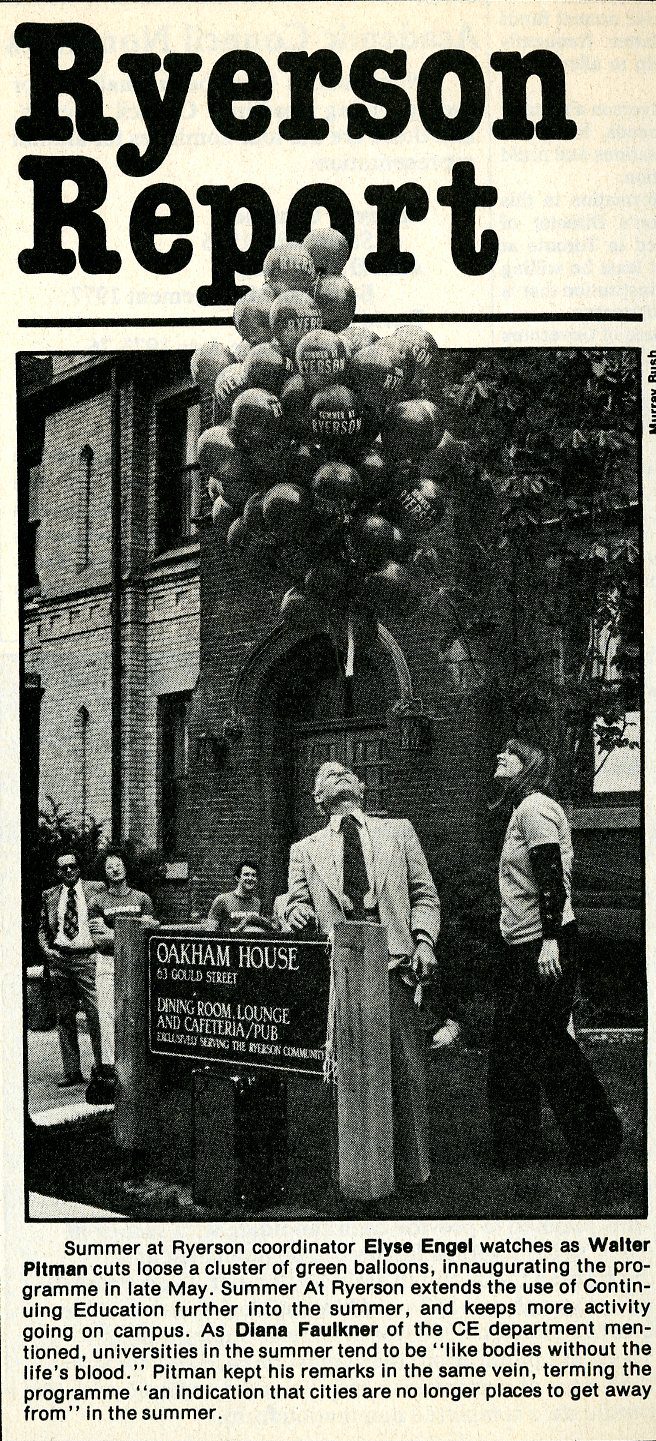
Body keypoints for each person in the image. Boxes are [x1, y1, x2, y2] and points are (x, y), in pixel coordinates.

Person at [285, 759, 448, 1192]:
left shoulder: (399, 831)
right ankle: (359, 1172)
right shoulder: (305, 849)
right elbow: (293, 901)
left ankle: (415, 1172)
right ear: (318, 799)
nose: (336, 775)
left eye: (344, 772)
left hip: (393, 963)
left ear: (360, 786)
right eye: (325, 775)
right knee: (351, 1071)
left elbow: (424, 894)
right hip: (342, 970)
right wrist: (294, 910)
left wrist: (424, 941)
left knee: (405, 1068)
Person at [488, 738, 623, 1168]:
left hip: (544, 945)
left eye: (508, 754)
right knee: (514, 1045)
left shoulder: (535, 808)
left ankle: (599, 1137)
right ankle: (519, 1146)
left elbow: (551, 877)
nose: (498, 757)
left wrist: (549, 939)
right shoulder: (519, 811)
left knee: (545, 1043)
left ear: (526, 766)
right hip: (522, 945)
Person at [38, 850, 107, 1088]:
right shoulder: (50, 895)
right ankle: (72, 1071)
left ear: (79, 869)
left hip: (87, 959)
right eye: (63, 868)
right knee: (65, 1017)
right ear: (58, 872)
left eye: (72, 867)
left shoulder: (96, 889)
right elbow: (42, 928)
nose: (68, 871)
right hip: (60, 960)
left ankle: (102, 1068)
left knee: (96, 1015)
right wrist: (47, 950)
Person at [92, 847, 155, 1071]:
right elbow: (100, 942)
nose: (115, 869)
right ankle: (110, 1070)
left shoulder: (142, 898)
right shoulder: (97, 902)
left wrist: (112, 932)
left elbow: (148, 934)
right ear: (104, 872)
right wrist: (133, 929)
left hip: (136, 962)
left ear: (126, 867)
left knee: (138, 1012)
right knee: (108, 1016)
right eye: (109, 866)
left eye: (118, 864)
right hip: (108, 963)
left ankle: (138, 1066)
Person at [207, 859, 266, 933]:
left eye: (253, 875)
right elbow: (210, 932)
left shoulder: (258, 903)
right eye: (246, 874)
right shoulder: (222, 900)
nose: (250, 878)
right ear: (237, 878)